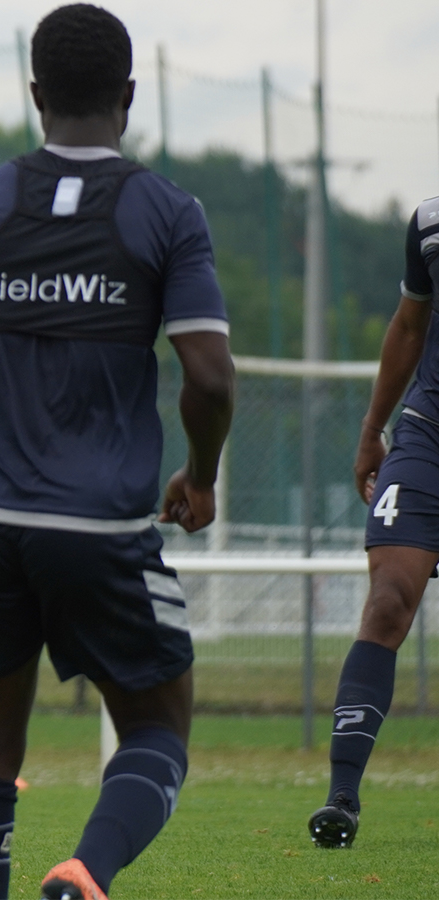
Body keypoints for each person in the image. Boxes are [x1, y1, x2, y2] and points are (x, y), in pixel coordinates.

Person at [0, 5, 234, 899]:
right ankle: (85, 870)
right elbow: (210, 375)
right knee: (157, 725)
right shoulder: (166, 212)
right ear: (129, 95)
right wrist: (201, 475)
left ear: (35, 95)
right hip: (97, 522)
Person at [307, 194, 439, 849]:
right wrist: (371, 429)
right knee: (387, 602)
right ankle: (343, 798)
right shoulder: (430, 220)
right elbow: (410, 326)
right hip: (428, 435)